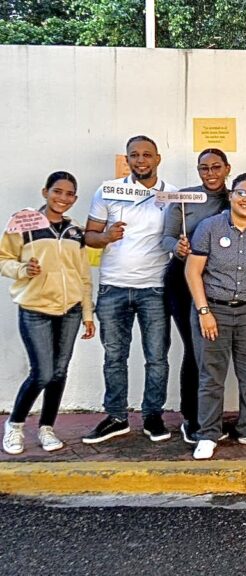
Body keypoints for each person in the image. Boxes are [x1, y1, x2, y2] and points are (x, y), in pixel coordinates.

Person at [82, 135, 177, 444]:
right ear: (127, 160)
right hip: (113, 287)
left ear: (158, 158)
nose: (140, 160)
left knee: (157, 357)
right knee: (114, 356)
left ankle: (153, 415)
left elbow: (178, 236)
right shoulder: (108, 190)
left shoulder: (172, 195)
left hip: (155, 288)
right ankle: (116, 417)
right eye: (134, 155)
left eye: (146, 154)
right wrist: (106, 236)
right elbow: (89, 236)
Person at [185, 174, 246, 459]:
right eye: (242, 193)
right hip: (213, 309)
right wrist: (204, 311)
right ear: (231, 195)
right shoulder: (209, 228)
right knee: (211, 376)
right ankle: (208, 434)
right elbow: (192, 271)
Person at [1, 172, 95, 455]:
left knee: (59, 372)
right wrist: (21, 270)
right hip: (36, 309)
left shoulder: (75, 231)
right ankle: (15, 425)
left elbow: (83, 275)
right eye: (57, 191)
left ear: (74, 199)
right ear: (45, 192)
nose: (62, 198)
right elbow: (3, 258)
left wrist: (88, 314)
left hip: (71, 311)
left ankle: (47, 428)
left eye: (69, 194)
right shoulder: (24, 224)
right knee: (41, 372)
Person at [161, 148, 232, 443]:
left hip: (220, 283)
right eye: (204, 168)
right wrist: (176, 247)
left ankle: (211, 417)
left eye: (216, 167)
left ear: (227, 168)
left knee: (214, 353)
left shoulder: (236, 199)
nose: (210, 173)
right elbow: (166, 236)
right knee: (195, 349)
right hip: (183, 282)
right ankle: (192, 417)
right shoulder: (183, 199)